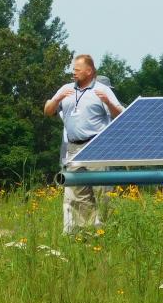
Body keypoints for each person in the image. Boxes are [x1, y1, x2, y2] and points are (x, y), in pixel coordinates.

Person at [44, 54, 124, 234]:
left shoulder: (102, 90)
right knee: (78, 194)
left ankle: (106, 231)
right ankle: (86, 234)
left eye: (77, 70)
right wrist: (57, 99)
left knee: (102, 192)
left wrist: (108, 102)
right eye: (73, 69)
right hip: (73, 148)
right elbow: (48, 111)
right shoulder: (65, 89)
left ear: (89, 71)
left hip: (96, 147)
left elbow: (120, 115)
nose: (73, 73)